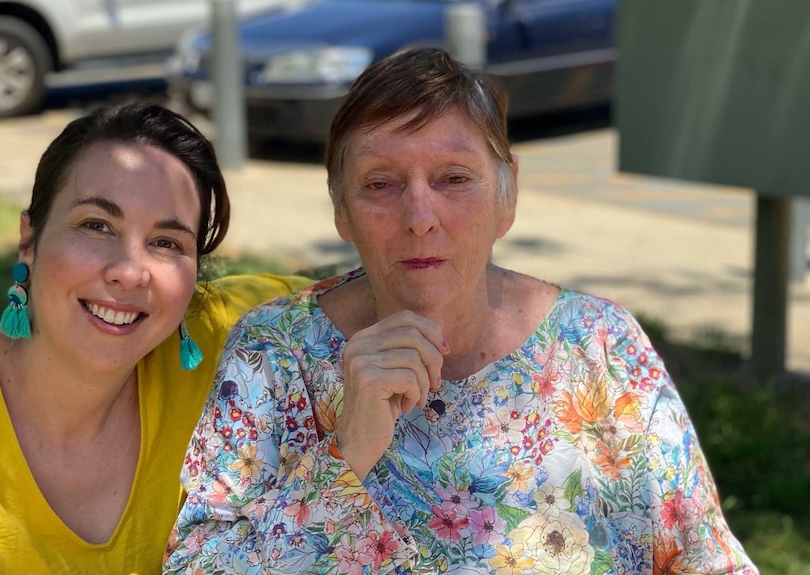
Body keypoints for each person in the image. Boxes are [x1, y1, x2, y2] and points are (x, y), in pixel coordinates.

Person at [164, 49, 758, 574]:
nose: (420, 215)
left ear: (508, 195)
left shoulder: (598, 346)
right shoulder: (276, 354)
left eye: (453, 178)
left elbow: (704, 556)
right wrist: (347, 452)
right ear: (340, 209)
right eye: (380, 183)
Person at [0, 103, 309, 574]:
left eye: (167, 243)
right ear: (28, 241)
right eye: (96, 226)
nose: (129, 272)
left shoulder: (239, 337)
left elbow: (377, 286)